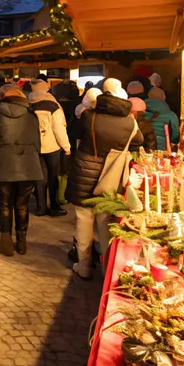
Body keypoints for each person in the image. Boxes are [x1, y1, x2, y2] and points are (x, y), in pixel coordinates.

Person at [66, 88, 143, 279]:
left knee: (84, 220)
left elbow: (73, 132)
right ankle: (107, 267)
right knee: (105, 222)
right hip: (111, 176)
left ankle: (83, 265)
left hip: (84, 174)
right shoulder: (130, 122)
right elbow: (139, 141)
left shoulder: (88, 116)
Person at [0, 84, 43, 256]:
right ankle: (22, 244)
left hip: (5, 163)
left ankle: (6, 244)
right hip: (29, 164)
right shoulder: (32, 115)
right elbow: (38, 142)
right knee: (22, 205)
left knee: (5, 205)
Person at [29, 79, 71, 217]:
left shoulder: (28, 104)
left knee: (40, 177)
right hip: (51, 146)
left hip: (34, 145)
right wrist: (66, 147)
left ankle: (40, 207)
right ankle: (53, 205)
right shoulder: (53, 106)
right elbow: (58, 129)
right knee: (53, 177)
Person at [145, 87, 180, 151]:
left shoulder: (142, 112)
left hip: (145, 148)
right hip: (165, 149)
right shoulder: (171, 115)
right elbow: (175, 137)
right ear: (164, 98)